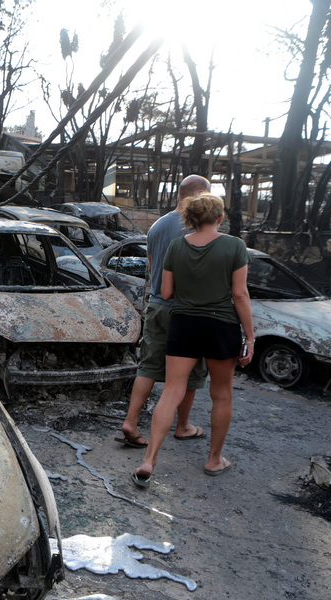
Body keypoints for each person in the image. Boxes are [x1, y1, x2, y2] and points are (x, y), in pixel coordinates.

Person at [132, 193, 255, 487]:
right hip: (221, 325)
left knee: (172, 390)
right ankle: (214, 460)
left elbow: (167, 291)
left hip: (183, 323)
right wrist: (250, 336)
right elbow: (239, 295)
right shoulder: (235, 245)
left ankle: (148, 460)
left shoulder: (176, 245)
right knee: (221, 393)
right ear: (219, 218)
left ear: (190, 219)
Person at [117, 175, 211, 449]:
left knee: (148, 366)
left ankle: (130, 422)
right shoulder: (194, 226)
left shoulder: (157, 226)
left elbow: (150, 267)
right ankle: (182, 426)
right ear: (200, 194)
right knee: (190, 372)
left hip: (157, 306)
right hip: (186, 310)